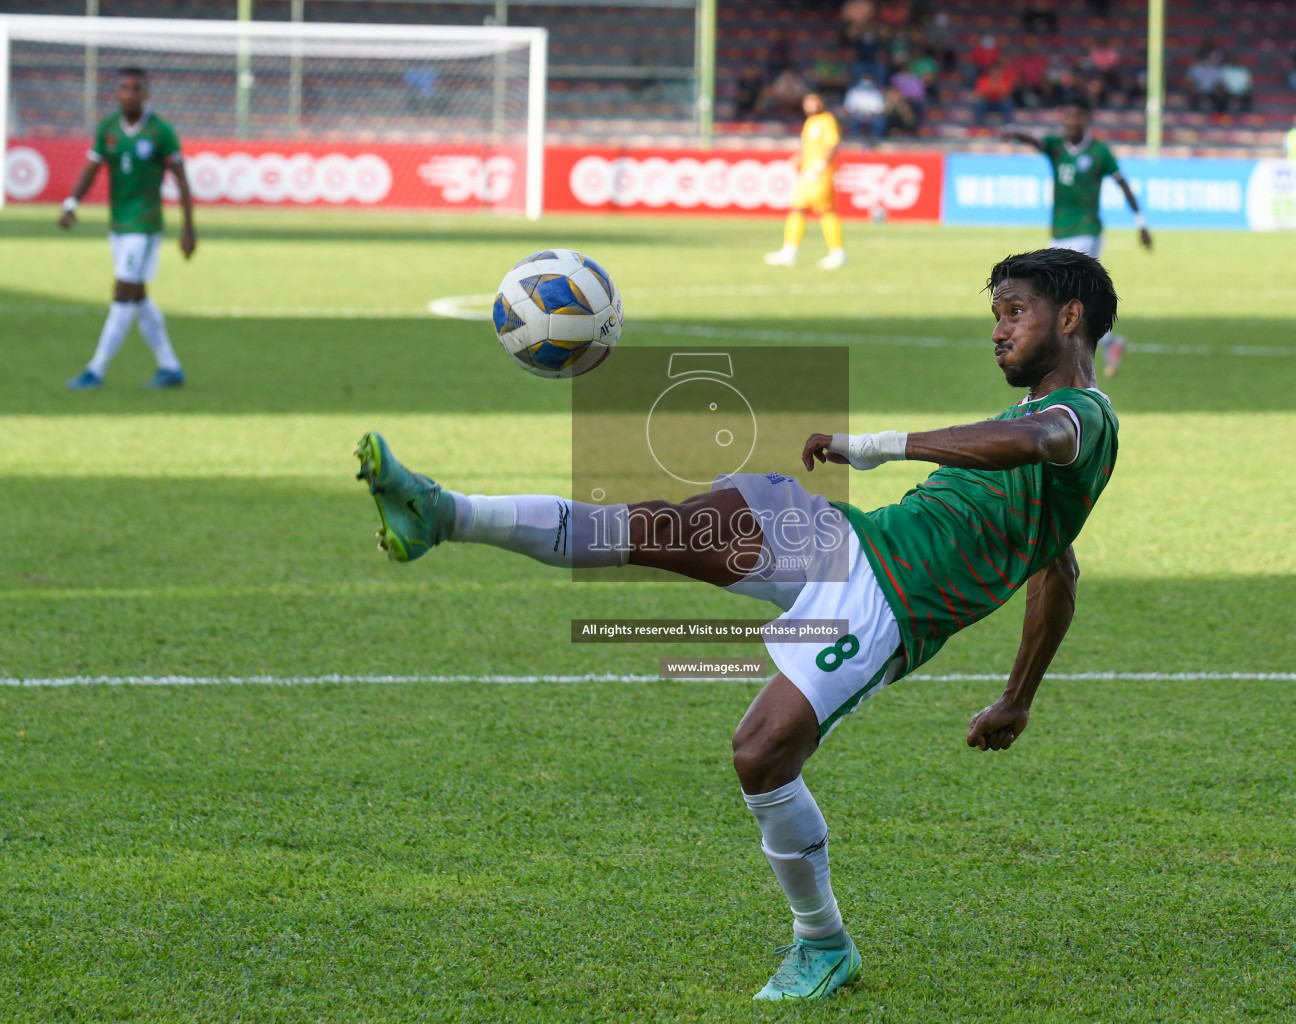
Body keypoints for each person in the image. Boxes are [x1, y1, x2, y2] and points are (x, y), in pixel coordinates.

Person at [353, 246, 1122, 1001]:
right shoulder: (1029, 426)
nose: (997, 330)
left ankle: (822, 942)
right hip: (851, 539)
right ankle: (441, 512)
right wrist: (1017, 696)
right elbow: (1057, 568)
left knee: (759, 753)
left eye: (1014, 312)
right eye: (995, 315)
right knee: (649, 530)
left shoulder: (1081, 418)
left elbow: (1037, 451)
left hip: (887, 604)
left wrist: (876, 445)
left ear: (1072, 316)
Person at [60, 67, 195, 390]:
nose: (130, 94)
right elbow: (92, 168)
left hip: (144, 226)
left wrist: (189, 227)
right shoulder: (108, 129)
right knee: (138, 297)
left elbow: (181, 178)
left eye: (137, 89)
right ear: (116, 93)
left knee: (122, 292)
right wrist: (71, 204)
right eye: (124, 88)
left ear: (146, 94)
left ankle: (96, 370)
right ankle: (170, 367)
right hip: (118, 225)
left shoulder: (160, 131)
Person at [1002, 98, 1150, 378]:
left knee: (1063, 293)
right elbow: (1036, 141)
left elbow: (1123, 185)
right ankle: (1109, 342)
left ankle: (1067, 352)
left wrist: (1140, 222)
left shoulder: (1100, 152)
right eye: (1066, 120)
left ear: (1086, 121)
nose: (1070, 124)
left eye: (1075, 119)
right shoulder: (1057, 147)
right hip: (1059, 231)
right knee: (1054, 292)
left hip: (1087, 231)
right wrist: (1015, 133)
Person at [764, 93, 847, 270]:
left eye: (814, 102)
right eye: (807, 102)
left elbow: (832, 144)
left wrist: (821, 165)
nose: (810, 105)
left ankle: (838, 252)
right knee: (797, 209)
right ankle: (790, 250)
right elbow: (809, 148)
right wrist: (798, 159)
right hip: (806, 174)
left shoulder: (827, 120)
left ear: (821, 103)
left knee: (826, 211)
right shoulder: (810, 122)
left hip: (820, 174)